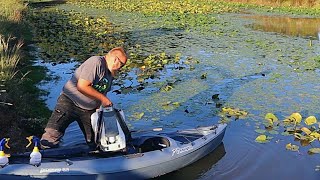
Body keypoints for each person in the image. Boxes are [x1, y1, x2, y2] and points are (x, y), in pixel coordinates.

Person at [40, 47, 128, 149]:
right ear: (115, 59)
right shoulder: (96, 62)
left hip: (89, 110)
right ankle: (43, 157)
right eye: (122, 64)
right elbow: (82, 86)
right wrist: (104, 99)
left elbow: (102, 93)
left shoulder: (110, 74)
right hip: (70, 102)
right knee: (51, 136)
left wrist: (100, 109)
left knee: (95, 142)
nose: (121, 68)